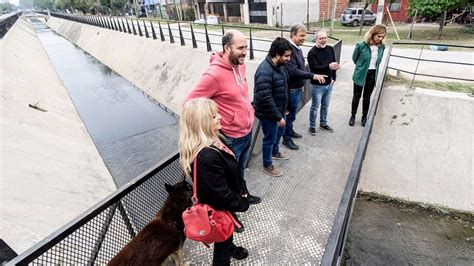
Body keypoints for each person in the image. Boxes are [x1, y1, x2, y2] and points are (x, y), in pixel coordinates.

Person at [184, 30, 261, 206]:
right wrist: (211, 124)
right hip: (231, 137)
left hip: (247, 130)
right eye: (240, 47)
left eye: (246, 47)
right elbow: (189, 104)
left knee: (240, 170)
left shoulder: (240, 66)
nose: (245, 52)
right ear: (227, 48)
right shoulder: (213, 75)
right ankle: (230, 214)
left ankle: (244, 194)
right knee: (227, 178)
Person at [179, 98, 250, 265]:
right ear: (201, 123)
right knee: (223, 235)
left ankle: (230, 247)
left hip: (223, 202)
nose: (219, 116)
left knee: (225, 231)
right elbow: (220, 194)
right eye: (213, 116)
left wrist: (241, 188)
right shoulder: (206, 157)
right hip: (219, 207)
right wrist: (242, 203)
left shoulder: (214, 138)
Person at [283, 23, 326, 150]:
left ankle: (289, 132)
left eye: (305, 35)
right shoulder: (289, 50)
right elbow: (293, 71)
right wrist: (312, 76)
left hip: (297, 88)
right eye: (301, 35)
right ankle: (286, 139)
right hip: (291, 90)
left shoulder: (297, 48)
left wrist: (301, 84)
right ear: (293, 35)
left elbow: (300, 67)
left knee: (292, 115)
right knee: (289, 116)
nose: (304, 38)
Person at [253, 37, 292, 177]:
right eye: (286, 56)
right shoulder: (264, 70)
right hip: (269, 114)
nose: (289, 59)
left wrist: (285, 108)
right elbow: (265, 97)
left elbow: (283, 87)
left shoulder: (279, 67)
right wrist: (277, 116)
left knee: (278, 134)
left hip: (279, 111)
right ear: (277, 55)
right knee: (269, 138)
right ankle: (267, 164)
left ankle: (275, 152)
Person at [349, 24, 386, 127]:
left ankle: (364, 116)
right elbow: (354, 59)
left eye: (383, 36)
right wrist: (361, 67)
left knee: (367, 97)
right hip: (360, 74)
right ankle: (353, 116)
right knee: (356, 96)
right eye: (378, 36)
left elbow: (379, 61)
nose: (380, 38)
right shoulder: (361, 46)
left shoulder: (382, 47)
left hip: (372, 74)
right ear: (373, 34)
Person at [307, 29, 340, 135]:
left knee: (325, 106)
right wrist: (328, 66)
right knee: (315, 107)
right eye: (321, 38)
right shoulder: (312, 53)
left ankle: (323, 123)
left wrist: (334, 77)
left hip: (329, 84)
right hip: (317, 86)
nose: (324, 40)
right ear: (316, 39)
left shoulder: (330, 49)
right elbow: (314, 69)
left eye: (325, 38)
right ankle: (312, 126)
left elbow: (334, 65)